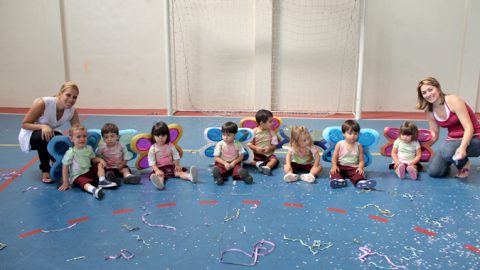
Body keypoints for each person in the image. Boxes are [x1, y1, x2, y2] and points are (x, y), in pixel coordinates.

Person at [417, 77, 480, 178]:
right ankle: (453, 158)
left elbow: (469, 127)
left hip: (475, 137)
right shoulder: (430, 111)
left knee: (447, 151)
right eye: (424, 93)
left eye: (430, 89)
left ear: (438, 88)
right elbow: (434, 135)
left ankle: (464, 163)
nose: (428, 94)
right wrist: (416, 148)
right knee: (433, 171)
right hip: (453, 141)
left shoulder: (453, 100)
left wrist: (462, 148)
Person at [18, 82, 81, 183]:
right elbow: (25, 124)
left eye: (74, 97)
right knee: (46, 137)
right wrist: (43, 126)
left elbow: (78, 130)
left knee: (62, 141)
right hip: (30, 134)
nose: (71, 99)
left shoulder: (72, 112)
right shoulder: (43, 103)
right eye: (68, 95)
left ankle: (57, 161)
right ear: (60, 94)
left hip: (50, 133)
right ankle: (45, 170)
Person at [58, 124, 117, 200]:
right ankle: (94, 190)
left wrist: (100, 160)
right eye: (78, 137)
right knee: (83, 182)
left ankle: (102, 180)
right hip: (78, 175)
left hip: (89, 172)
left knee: (99, 164)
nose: (82, 139)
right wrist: (65, 182)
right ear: (71, 139)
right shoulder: (71, 152)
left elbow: (92, 159)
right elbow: (65, 166)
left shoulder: (88, 148)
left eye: (84, 136)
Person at [148, 121, 198, 190]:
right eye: (157, 135)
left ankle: (190, 177)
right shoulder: (153, 148)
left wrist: (177, 165)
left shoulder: (170, 145)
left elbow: (176, 155)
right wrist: (156, 170)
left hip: (170, 166)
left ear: (167, 135)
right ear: (153, 136)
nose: (160, 138)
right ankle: (160, 183)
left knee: (179, 173)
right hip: (160, 168)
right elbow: (151, 161)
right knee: (160, 176)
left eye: (163, 135)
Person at [329, 120, 377, 189]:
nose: (353, 136)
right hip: (340, 166)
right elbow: (334, 157)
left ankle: (360, 182)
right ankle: (339, 181)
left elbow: (361, 160)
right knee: (334, 172)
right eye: (350, 133)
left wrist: (360, 167)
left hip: (353, 168)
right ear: (343, 133)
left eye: (355, 134)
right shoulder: (340, 144)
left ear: (358, 134)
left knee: (358, 173)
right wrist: (334, 166)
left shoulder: (359, 146)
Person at [247, 109, 279, 175]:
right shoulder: (254, 132)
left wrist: (270, 148)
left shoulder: (272, 133)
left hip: (267, 155)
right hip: (256, 155)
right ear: (261, 123)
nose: (272, 123)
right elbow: (249, 144)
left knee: (274, 160)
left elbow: (274, 145)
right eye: (270, 121)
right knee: (247, 158)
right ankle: (257, 164)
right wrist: (255, 148)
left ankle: (267, 167)